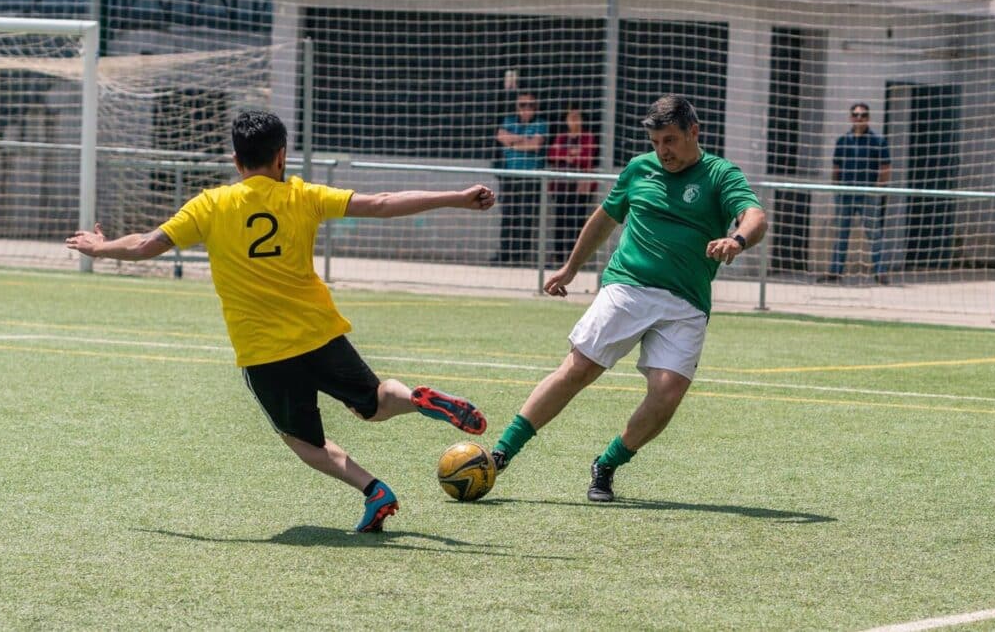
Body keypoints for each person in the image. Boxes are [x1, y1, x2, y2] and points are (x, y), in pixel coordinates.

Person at [65, 110, 495, 533]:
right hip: (320, 333)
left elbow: (144, 245)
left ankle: (373, 490)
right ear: (281, 157)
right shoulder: (302, 196)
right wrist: (456, 197)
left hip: (265, 352)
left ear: (236, 162)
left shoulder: (210, 205)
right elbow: (381, 204)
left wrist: (100, 248)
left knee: (304, 442)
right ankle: (416, 399)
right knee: (376, 404)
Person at [488, 94, 767, 502]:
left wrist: (736, 240)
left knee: (668, 391)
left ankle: (608, 463)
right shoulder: (639, 169)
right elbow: (604, 219)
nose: (662, 152)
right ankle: (501, 453)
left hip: (686, 302)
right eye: (655, 143)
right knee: (579, 368)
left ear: (694, 131)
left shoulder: (719, 174)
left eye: (670, 140)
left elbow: (755, 216)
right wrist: (570, 268)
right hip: (628, 286)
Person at [818, 102, 892, 285]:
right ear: (851, 117)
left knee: (874, 234)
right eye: (856, 115)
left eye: (863, 115)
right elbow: (836, 167)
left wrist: (877, 189)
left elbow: (885, 168)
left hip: (868, 194)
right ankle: (835, 272)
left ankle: (880, 273)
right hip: (845, 194)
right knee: (842, 234)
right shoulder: (843, 141)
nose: (860, 118)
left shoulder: (878, 141)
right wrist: (836, 188)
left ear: (868, 117)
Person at [492, 91, 548, 266]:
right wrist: (524, 140)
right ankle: (504, 253)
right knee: (508, 215)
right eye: (522, 105)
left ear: (535, 107)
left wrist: (513, 142)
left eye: (530, 105)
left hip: (530, 177)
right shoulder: (509, 120)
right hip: (509, 176)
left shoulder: (541, 123)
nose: (526, 109)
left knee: (526, 216)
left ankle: (519, 257)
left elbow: (535, 145)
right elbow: (500, 136)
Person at [547, 105, 598, 264]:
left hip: (580, 187)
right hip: (562, 186)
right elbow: (552, 154)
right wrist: (570, 154)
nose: (574, 121)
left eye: (577, 117)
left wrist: (568, 155)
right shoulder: (562, 137)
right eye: (571, 117)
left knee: (576, 220)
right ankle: (559, 256)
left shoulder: (587, 137)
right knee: (561, 220)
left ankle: (574, 258)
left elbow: (587, 156)